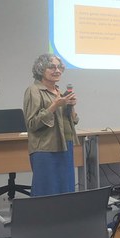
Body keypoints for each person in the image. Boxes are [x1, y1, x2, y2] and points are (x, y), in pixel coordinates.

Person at [23, 53, 78, 196]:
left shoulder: (59, 92)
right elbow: (32, 123)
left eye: (59, 67)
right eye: (52, 67)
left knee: (66, 189)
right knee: (47, 191)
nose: (57, 70)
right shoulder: (34, 90)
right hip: (46, 148)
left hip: (65, 145)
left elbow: (73, 120)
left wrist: (71, 106)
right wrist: (54, 105)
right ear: (41, 69)